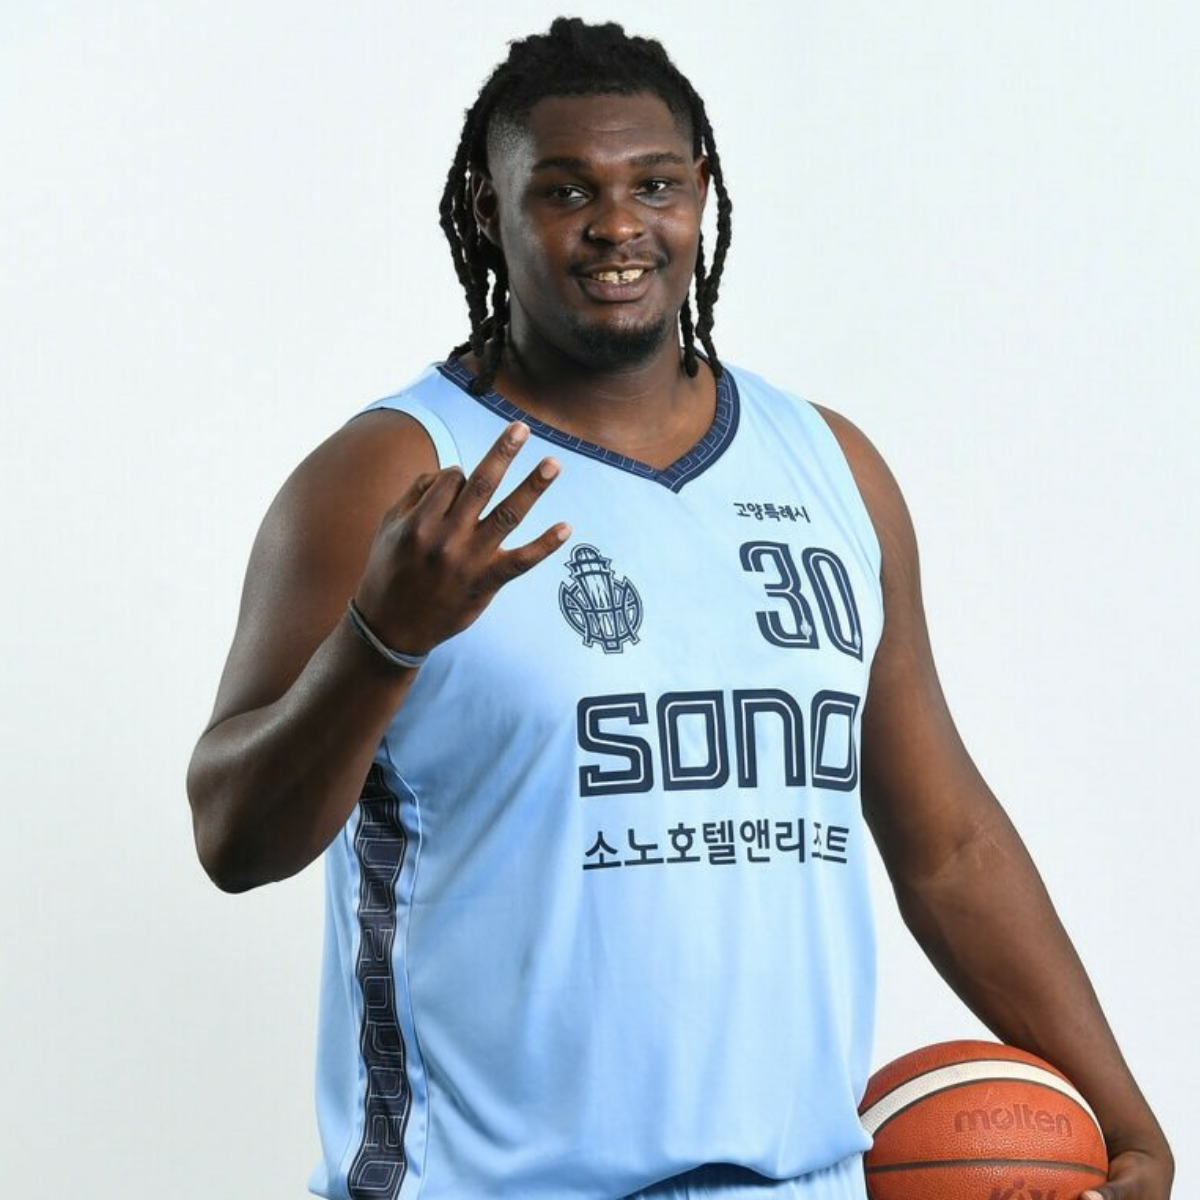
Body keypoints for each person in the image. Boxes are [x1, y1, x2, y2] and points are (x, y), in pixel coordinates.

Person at [187, 17, 1173, 1200]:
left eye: (652, 183)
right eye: (563, 191)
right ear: (488, 212)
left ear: (700, 196)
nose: (616, 224)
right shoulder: (392, 476)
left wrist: (1128, 1124)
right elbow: (233, 838)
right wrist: (381, 637)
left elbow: (949, 841)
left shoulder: (829, 469)